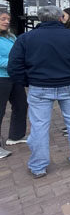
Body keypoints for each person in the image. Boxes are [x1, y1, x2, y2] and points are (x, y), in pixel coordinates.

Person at [8, 6, 70, 178]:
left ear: (40, 18)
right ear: (59, 18)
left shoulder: (25, 38)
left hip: (39, 87)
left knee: (39, 126)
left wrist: (28, 81)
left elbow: (14, 67)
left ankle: (38, 167)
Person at [0, 11, 28, 159]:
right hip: (1, 78)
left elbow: (19, 52)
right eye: (3, 19)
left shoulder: (10, 36)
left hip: (14, 76)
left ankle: (16, 136)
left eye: (8, 19)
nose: (6, 22)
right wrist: (15, 63)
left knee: (21, 105)